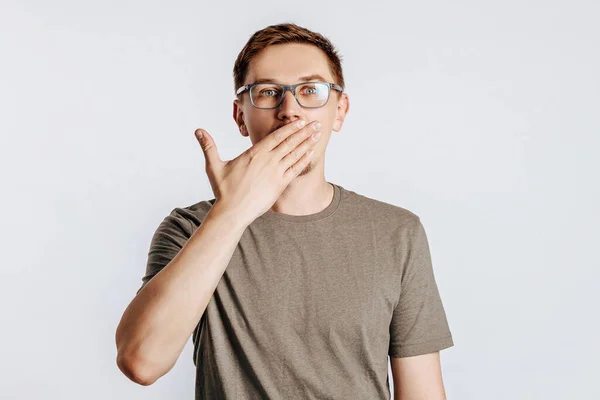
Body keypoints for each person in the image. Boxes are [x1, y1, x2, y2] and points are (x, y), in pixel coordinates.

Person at [115, 22, 454, 399]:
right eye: (268, 92)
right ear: (240, 115)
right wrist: (231, 212)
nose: (289, 110)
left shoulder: (396, 232)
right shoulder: (190, 227)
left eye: (310, 90)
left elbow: (422, 392)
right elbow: (141, 362)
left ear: (339, 111)